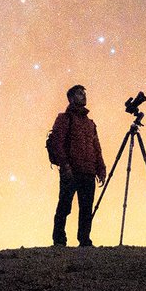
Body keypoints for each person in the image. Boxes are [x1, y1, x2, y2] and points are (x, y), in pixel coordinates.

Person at [48, 84, 107, 247]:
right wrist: (65, 165)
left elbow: (96, 147)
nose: (83, 96)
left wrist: (101, 168)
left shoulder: (91, 124)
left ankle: (84, 240)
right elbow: (57, 143)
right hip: (71, 170)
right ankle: (59, 240)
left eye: (84, 93)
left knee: (86, 208)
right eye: (79, 94)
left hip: (88, 172)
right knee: (65, 205)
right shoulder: (64, 119)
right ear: (71, 98)